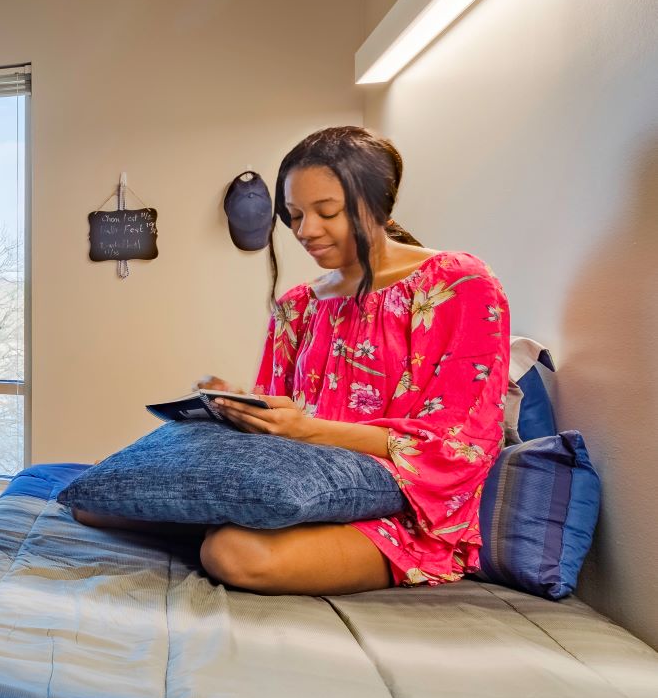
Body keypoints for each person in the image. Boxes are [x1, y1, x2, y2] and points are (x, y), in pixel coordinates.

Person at [80, 127, 511, 596]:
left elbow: (460, 442)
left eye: (327, 212)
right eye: (295, 215)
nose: (305, 231)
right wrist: (243, 406)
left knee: (233, 553)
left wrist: (307, 431)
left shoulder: (458, 283)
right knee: (92, 496)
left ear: (378, 204)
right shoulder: (297, 304)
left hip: (405, 501)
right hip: (297, 475)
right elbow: (280, 413)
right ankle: (231, 513)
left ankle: (225, 521)